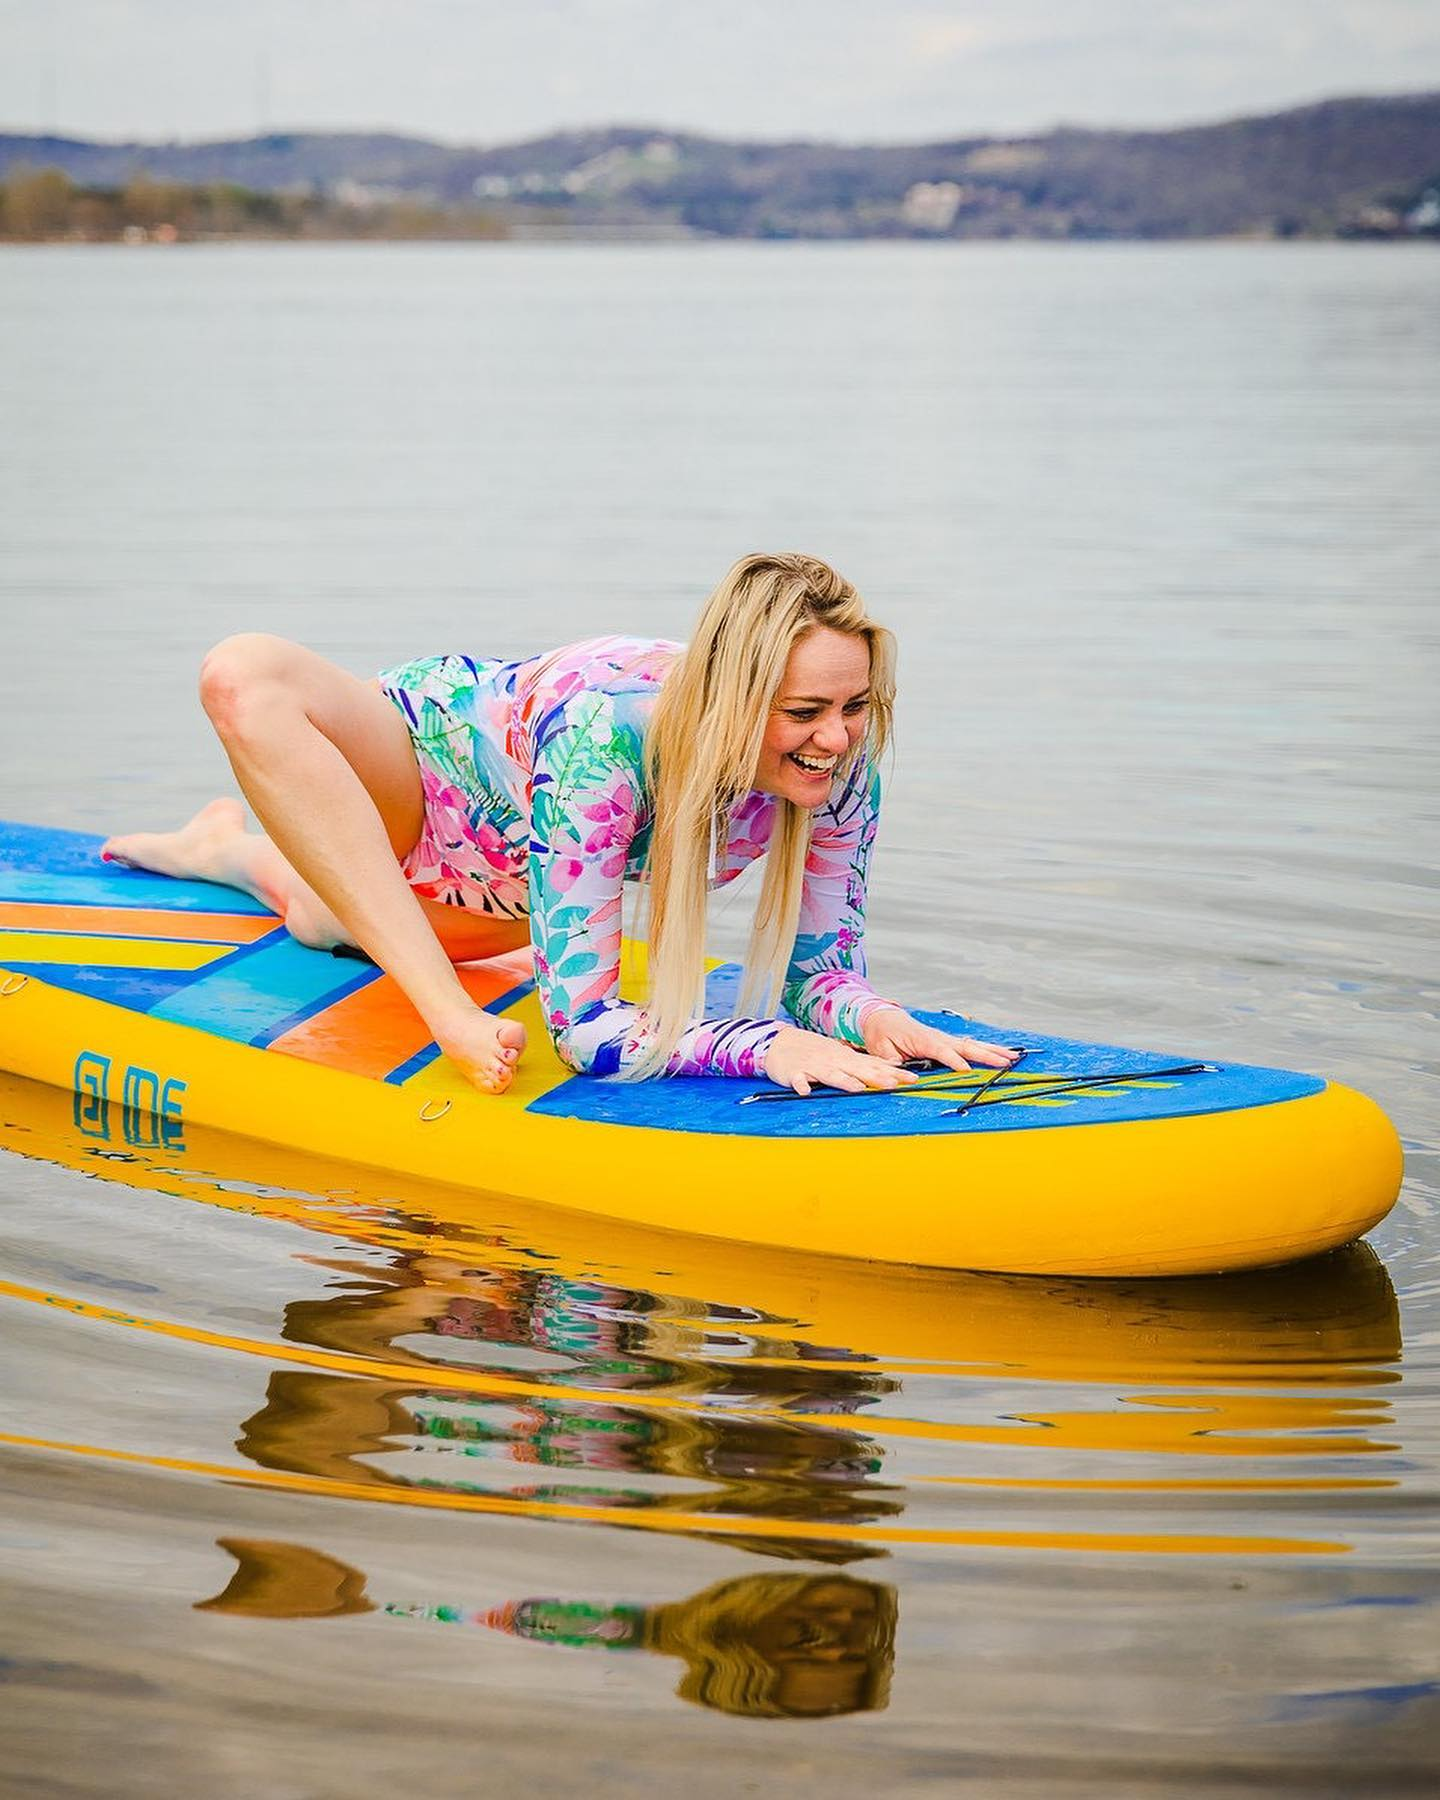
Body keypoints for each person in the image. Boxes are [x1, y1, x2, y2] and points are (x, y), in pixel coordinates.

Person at [103, 552, 1018, 1095]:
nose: (837, 737)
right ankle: (420, 978)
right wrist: (760, 1045)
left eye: (854, 706)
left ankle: (220, 846)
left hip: (510, 877)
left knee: (316, 918)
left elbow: (819, 978)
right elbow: (579, 1029)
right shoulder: (607, 737)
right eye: (807, 711)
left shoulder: (835, 767)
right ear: (733, 698)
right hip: (415, 778)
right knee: (241, 674)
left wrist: (873, 1016)